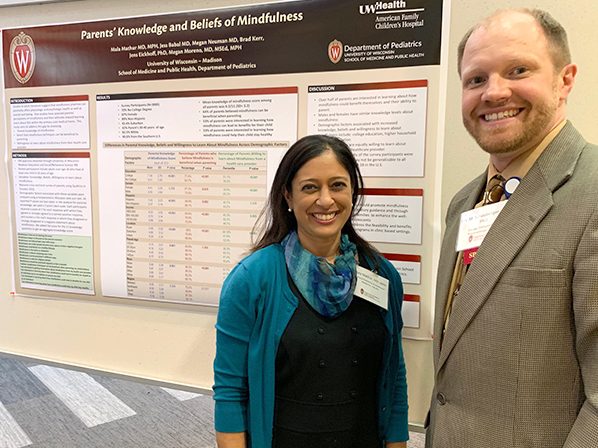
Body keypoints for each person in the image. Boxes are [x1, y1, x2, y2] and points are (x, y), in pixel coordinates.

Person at [426, 8, 598, 448]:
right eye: (476, 79)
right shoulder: (464, 203)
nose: (493, 92)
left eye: (518, 70)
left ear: (565, 80)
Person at [213, 135, 408, 447]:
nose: (326, 200)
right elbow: (230, 390)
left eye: (338, 185)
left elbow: (394, 377)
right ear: (288, 196)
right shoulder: (252, 279)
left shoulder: (382, 275)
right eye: (310, 187)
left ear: (353, 192)